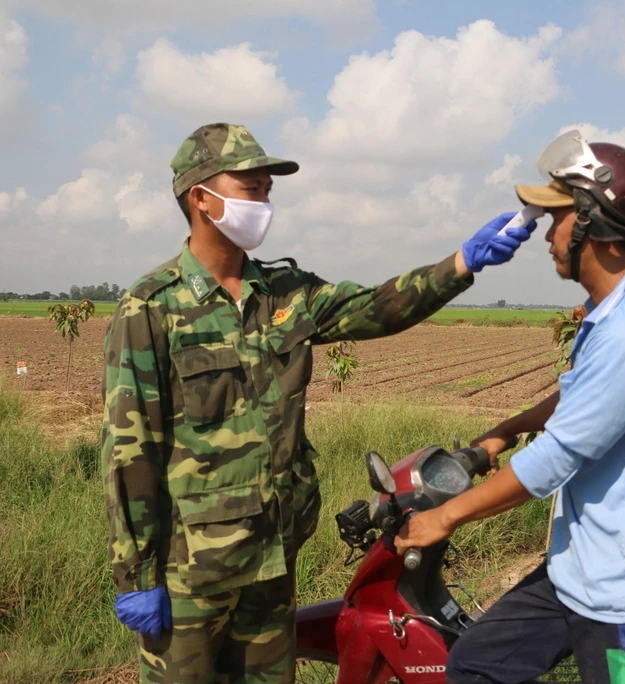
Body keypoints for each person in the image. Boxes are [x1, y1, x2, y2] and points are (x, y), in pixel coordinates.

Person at [100, 122, 537, 683]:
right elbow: (130, 452)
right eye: (250, 188)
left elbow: (377, 306)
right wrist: (138, 575)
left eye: (267, 191)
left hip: (272, 559)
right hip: (189, 574)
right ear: (201, 198)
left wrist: (460, 264)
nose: (263, 202)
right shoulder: (151, 308)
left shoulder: (287, 294)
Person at [395, 130, 625, 684]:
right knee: (476, 663)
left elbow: (555, 460)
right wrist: (507, 430)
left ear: (596, 223)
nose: (547, 235)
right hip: (584, 567)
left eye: (557, 216)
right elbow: (582, 393)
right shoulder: (618, 309)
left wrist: (444, 517)